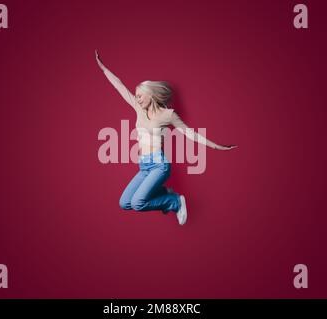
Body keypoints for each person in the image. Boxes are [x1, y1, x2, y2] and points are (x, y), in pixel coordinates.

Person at [95, 50, 237, 225]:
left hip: (158, 165)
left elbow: (189, 133)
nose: (137, 99)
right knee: (125, 203)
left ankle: (174, 201)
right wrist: (103, 68)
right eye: (136, 96)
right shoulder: (138, 108)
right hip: (144, 165)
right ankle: (165, 195)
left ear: (150, 94)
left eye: (140, 95)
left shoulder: (168, 114)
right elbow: (120, 86)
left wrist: (217, 146)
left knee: (138, 203)